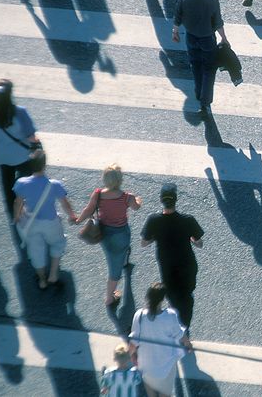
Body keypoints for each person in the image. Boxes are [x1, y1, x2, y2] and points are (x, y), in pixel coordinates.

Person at [76, 164, 142, 306]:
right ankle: (109, 298)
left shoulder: (98, 194)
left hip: (104, 233)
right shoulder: (127, 197)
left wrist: (78, 220)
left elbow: (89, 209)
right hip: (121, 234)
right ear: (120, 180)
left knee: (112, 256)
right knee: (115, 269)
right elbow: (136, 207)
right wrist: (138, 200)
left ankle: (122, 260)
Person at [141, 183, 204, 329]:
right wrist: (190, 238)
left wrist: (156, 237)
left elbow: (144, 243)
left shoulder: (153, 220)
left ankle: (174, 324)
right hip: (187, 266)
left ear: (161, 200)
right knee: (187, 296)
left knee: (172, 296)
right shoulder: (188, 220)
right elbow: (199, 243)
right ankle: (185, 326)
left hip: (167, 267)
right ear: (176, 200)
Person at [13, 150, 77, 290]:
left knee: (36, 250)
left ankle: (42, 280)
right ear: (44, 165)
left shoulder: (22, 183)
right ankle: (53, 275)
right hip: (50, 222)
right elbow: (64, 203)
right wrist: (72, 215)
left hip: (31, 222)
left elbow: (18, 203)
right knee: (57, 243)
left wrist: (17, 216)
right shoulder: (54, 185)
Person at [0, 79, 39, 217]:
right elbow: (31, 137)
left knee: (7, 179)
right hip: (20, 155)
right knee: (28, 175)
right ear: (11, 94)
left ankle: (12, 209)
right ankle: (28, 202)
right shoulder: (19, 112)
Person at [172, 0, 229, 117]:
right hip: (208, 39)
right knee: (209, 69)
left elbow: (177, 17)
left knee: (196, 65)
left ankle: (198, 92)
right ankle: (205, 101)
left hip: (191, 38)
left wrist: (175, 32)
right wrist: (224, 38)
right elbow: (218, 22)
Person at [129, 282, 192, 397]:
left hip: (146, 364)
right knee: (165, 393)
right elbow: (180, 336)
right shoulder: (170, 316)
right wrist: (188, 345)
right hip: (166, 365)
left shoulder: (139, 316)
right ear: (163, 299)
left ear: (148, 297)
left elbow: (133, 342)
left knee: (151, 392)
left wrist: (133, 355)